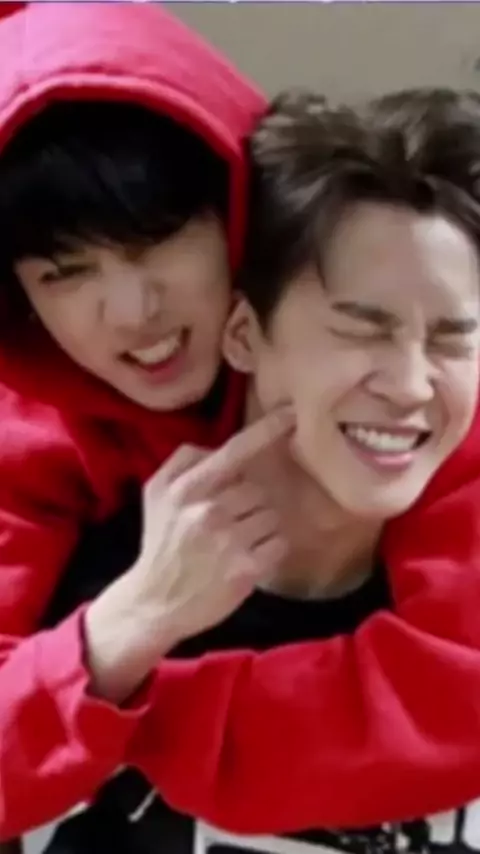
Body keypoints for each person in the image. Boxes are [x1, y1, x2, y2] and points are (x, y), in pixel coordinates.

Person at [3, 0, 480, 842]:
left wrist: (148, 718)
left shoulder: (428, 400)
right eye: (63, 273)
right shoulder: (29, 436)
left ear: (241, 215)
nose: (132, 312)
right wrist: (117, 638)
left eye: (158, 239)